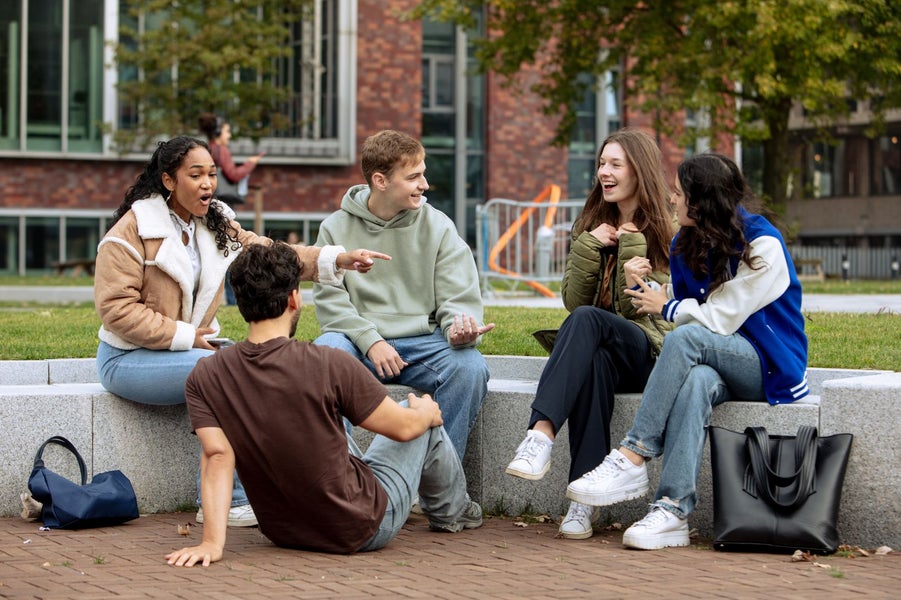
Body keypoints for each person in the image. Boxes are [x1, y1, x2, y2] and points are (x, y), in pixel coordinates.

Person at [94, 136, 387, 528]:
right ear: (168, 180)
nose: (207, 184)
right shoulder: (131, 231)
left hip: (189, 350)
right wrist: (186, 336)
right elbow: (116, 309)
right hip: (127, 359)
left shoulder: (213, 221)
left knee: (260, 362)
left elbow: (270, 255)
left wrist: (338, 259)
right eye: (194, 175)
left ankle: (319, 483)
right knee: (229, 373)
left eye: (211, 175)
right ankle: (228, 501)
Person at [165, 242, 482, 567]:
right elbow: (403, 430)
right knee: (419, 419)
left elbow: (217, 456)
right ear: (294, 298)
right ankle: (454, 514)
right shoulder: (327, 363)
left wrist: (212, 544)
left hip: (284, 531)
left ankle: (446, 504)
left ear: (242, 303)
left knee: (353, 424)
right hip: (362, 526)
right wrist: (426, 412)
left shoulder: (207, 373)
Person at [565, 153, 809, 550]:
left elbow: (721, 316)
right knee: (696, 382)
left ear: (703, 201)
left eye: (679, 194)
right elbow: (691, 298)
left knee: (683, 338)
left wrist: (668, 307)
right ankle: (672, 510)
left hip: (768, 364)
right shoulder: (686, 241)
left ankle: (632, 455)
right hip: (720, 357)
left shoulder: (764, 245)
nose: (672, 201)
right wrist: (651, 290)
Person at [504, 129, 676, 540]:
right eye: (602, 163)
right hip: (601, 348)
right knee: (592, 362)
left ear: (640, 170)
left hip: (646, 350)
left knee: (586, 320)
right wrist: (588, 246)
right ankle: (583, 500)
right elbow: (572, 298)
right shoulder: (593, 224)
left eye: (616, 164)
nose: (605, 172)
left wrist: (632, 244)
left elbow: (638, 309)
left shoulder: (667, 228)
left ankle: (541, 433)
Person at [312, 129, 494, 461]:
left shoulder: (438, 226)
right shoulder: (334, 228)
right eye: (414, 177)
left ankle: (437, 483)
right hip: (357, 340)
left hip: (422, 341)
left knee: (469, 368)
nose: (424, 185)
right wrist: (371, 340)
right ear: (380, 181)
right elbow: (330, 302)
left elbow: (458, 295)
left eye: (423, 174)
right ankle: (343, 478)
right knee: (325, 356)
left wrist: (458, 329)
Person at [198, 113, 264, 304]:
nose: (228, 136)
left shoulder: (206, 149)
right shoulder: (221, 150)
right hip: (220, 205)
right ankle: (233, 299)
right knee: (230, 250)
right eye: (227, 131)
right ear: (218, 132)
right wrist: (251, 163)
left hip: (208, 203)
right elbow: (233, 175)